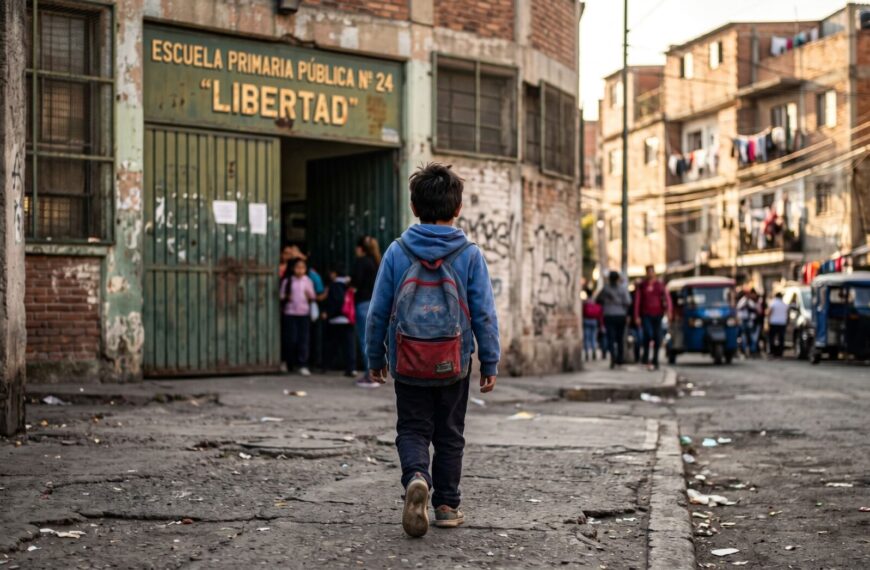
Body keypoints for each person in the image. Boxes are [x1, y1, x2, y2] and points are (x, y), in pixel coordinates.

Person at [365, 163, 500, 538]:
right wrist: (489, 359)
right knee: (450, 433)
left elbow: (378, 311)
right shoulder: (469, 254)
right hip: (452, 362)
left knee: (412, 428)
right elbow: (485, 313)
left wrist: (375, 358)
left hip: (408, 361)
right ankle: (446, 505)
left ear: (414, 207)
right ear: (457, 209)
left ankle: (416, 477)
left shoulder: (396, 251)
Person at [351, 235, 381, 388]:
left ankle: (371, 375)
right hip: (375, 304)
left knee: (365, 340)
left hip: (363, 303)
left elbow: (355, 283)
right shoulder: (377, 262)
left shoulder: (362, 263)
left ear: (360, 248)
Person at [280, 258, 316, 376]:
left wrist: (308, 295)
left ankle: (303, 364)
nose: (300, 270)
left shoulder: (307, 281)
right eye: (298, 268)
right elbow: (281, 296)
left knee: (303, 340)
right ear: (293, 269)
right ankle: (288, 362)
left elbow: (312, 296)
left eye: (302, 268)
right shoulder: (288, 281)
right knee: (290, 339)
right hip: (290, 313)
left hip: (303, 314)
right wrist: (286, 297)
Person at [634, 265, 672, 371]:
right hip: (646, 314)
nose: (650, 273)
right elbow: (638, 301)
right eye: (648, 272)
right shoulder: (642, 285)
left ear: (654, 272)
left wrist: (669, 311)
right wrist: (636, 315)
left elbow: (667, 298)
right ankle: (646, 356)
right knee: (648, 334)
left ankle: (655, 359)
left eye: (652, 271)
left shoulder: (660, 285)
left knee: (657, 337)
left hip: (658, 314)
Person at [322, 267, 356, 377]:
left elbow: (336, 302)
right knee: (349, 345)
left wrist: (328, 313)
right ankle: (351, 368)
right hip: (348, 319)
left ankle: (326, 366)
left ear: (335, 273)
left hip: (336, 319)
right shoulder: (349, 285)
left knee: (331, 344)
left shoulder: (334, 285)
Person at [597, 270, 632, 368]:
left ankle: (613, 357)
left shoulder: (606, 289)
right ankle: (620, 359)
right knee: (620, 338)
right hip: (620, 315)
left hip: (609, 315)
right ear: (617, 279)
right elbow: (628, 301)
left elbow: (598, 299)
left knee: (611, 338)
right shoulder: (622, 289)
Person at [736, 287, 759, 357]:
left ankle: (752, 351)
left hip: (750, 321)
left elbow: (754, 309)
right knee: (743, 336)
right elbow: (739, 308)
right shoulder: (743, 300)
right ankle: (744, 350)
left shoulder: (751, 301)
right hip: (743, 321)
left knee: (751, 336)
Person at [582, 289, 603, 361]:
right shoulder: (595, 301)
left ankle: (587, 352)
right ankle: (594, 351)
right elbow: (599, 313)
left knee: (587, 338)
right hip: (594, 321)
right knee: (593, 337)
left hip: (586, 320)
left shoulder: (585, 302)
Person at [767, 291, 789, 358]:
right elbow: (787, 314)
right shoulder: (784, 304)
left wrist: (767, 321)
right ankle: (780, 352)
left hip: (774, 322)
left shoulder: (773, 303)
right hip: (782, 323)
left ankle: (772, 352)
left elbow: (769, 313)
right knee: (781, 338)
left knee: (772, 338)